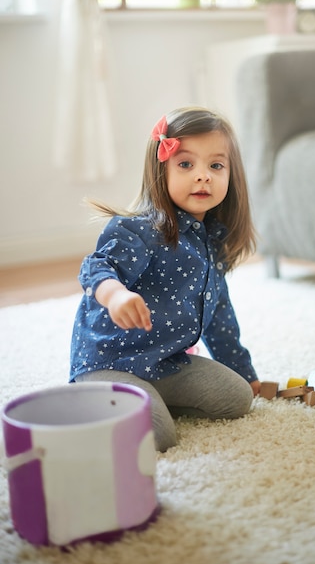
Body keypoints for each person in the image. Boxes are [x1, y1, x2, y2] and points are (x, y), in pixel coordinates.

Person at [70, 106, 260, 451]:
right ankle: (96, 398)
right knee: (158, 437)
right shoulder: (139, 229)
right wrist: (115, 296)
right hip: (111, 361)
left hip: (165, 362)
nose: (203, 176)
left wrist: (243, 371)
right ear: (162, 170)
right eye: (186, 164)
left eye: (215, 165)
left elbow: (219, 315)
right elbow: (96, 267)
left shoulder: (211, 239)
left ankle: (146, 400)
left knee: (238, 398)